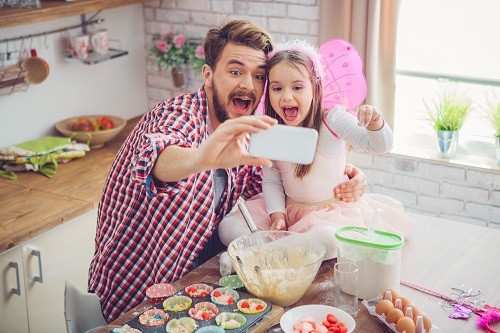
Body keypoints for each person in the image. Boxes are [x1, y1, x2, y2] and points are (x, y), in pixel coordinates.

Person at [88, 21, 367, 322]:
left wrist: (348, 176)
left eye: (258, 75)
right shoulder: (176, 116)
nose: (248, 84)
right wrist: (202, 158)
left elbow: (279, 183)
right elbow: (159, 159)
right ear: (208, 75)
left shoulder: (248, 133)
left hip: (197, 287)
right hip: (136, 300)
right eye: (235, 71)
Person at [218, 40, 414, 260]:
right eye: (277, 88)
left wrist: (376, 123)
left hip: (330, 214)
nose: (287, 96)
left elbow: (379, 145)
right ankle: (278, 253)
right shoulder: (272, 130)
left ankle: (257, 255)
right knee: (229, 227)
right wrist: (277, 215)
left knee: (328, 239)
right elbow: (272, 180)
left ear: (315, 87)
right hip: (290, 209)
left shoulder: (332, 119)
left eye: (297, 87)